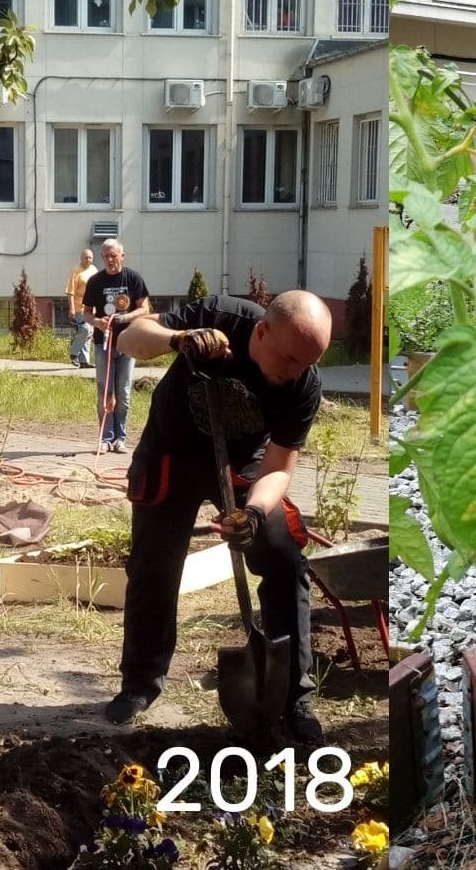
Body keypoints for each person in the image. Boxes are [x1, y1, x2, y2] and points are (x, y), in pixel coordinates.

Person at [106, 290, 332, 744]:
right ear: (263, 331)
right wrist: (179, 339)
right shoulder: (220, 315)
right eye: (288, 359)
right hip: (170, 453)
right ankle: (140, 685)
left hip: (243, 467)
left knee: (285, 559)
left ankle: (294, 696)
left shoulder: (303, 384)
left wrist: (252, 513)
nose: (294, 373)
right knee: (154, 567)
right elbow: (132, 337)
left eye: (306, 363)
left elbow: (279, 469)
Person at [81, 238, 149, 453]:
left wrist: (124, 317)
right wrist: (97, 322)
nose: (110, 260)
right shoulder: (95, 281)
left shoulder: (133, 278)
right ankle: (105, 437)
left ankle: (120, 437)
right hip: (104, 344)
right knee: (104, 391)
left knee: (124, 392)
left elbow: (145, 309)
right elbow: (86, 313)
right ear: (102, 257)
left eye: (114, 255)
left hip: (128, 343)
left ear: (122, 255)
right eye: (106, 256)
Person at [66, 248, 97, 369]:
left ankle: (84, 361)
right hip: (79, 307)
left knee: (89, 333)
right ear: (81, 258)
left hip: (91, 308)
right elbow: (70, 291)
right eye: (86, 257)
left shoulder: (94, 270)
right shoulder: (76, 271)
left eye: (90, 257)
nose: (88, 260)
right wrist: (72, 308)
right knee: (84, 329)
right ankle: (74, 353)